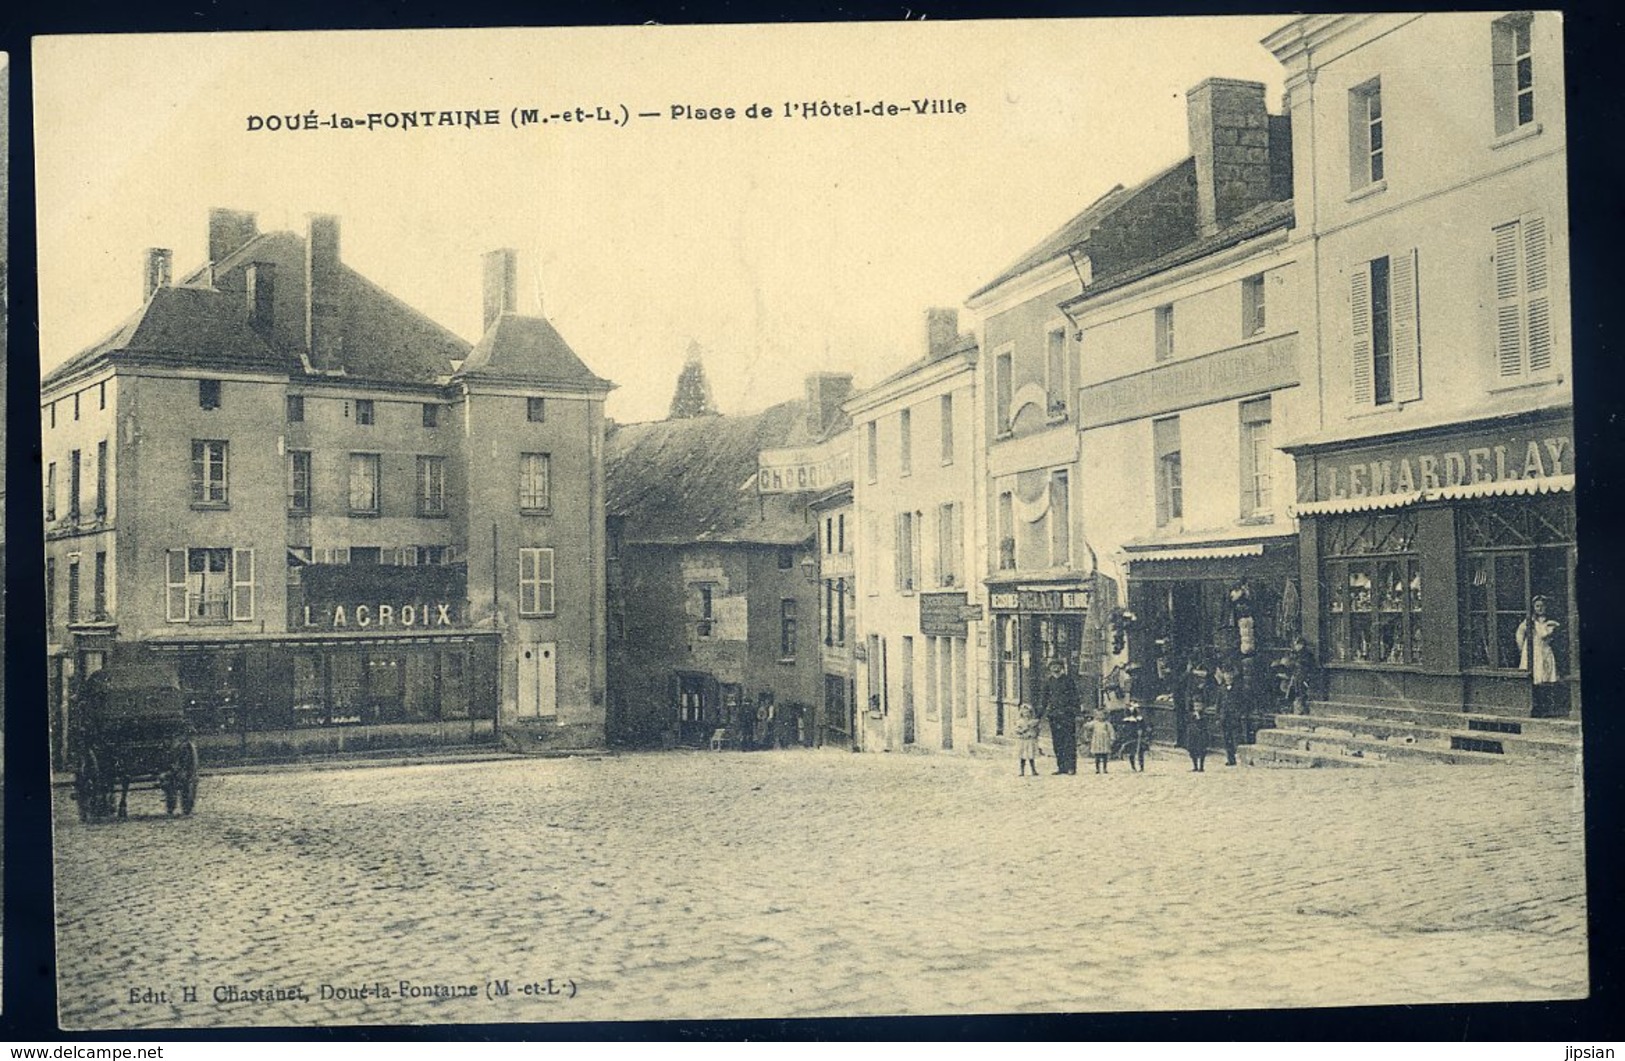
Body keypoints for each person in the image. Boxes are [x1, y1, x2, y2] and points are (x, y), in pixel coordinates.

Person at [1517, 596, 1563, 718]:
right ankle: (1535, 707)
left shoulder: (1550, 622)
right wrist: (1522, 648)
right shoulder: (1529, 621)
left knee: (1545, 676)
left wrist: (1551, 630)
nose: (1540, 608)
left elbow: (1545, 634)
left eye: (1542, 606)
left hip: (1544, 650)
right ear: (1533, 608)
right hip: (1533, 650)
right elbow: (1520, 632)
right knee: (1535, 677)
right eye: (1537, 606)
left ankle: (1546, 707)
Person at [1039, 658, 1080, 775]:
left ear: (1061, 667)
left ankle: (1071, 767)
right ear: (1050, 668)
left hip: (1067, 715)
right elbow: (1044, 699)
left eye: (1057, 666)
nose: (1055, 668)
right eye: (1052, 666)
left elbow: (1075, 697)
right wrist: (1039, 715)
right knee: (1057, 742)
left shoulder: (1068, 681)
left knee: (1069, 741)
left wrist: (1076, 712)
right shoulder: (1048, 681)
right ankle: (1061, 767)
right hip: (1054, 715)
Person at [1216, 661, 1246, 767]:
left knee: (1236, 737)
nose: (1228, 676)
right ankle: (1230, 759)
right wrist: (1218, 716)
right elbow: (1218, 703)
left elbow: (1242, 702)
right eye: (1226, 674)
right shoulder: (1221, 688)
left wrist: (1239, 713)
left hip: (1234, 717)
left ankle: (1240, 758)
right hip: (1225, 717)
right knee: (1226, 738)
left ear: (1233, 675)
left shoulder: (1238, 688)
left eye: (1229, 674)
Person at [1118, 700, 1149, 772]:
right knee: (1131, 752)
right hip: (1131, 736)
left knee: (1140, 752)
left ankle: (1141, 767)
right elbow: (1125, 728)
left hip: (1139, 737)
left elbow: (1143, 726)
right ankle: (1133, 767)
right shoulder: (1127, 720)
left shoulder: (1140, 719)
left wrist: (1141, 731)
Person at [1015, 703, 1042, 777]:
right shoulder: (1020, 721)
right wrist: (1022, 731)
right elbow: (1016, 730)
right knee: (1022, 756)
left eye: (1028, 712)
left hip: (1030, 740)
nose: (1026, 714)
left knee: (1031, 756)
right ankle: (1022, 771)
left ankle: (1033, 770)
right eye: (1024, 713)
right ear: (1021, 713)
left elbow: (1038, 729)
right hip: (1023, 740)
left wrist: (1035, 733)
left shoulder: (1033, 721)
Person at [1086, 710, 1117, 774]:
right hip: (1097, 740)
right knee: (1097, 756)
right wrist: (1088, 721)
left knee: (1105, 755)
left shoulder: (1107, 724)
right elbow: (1087, 727)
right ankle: (1097, 769)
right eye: (1098, 715)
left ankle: (1105, 768)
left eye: (1102, 715)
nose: (1100, 717)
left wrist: (1112, 738)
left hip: (1104, 740)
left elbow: (1111, 731)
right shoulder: (1095, 723)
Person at [1185, 700, 1211, 773]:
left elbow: (1205, 724)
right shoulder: (1191, 715)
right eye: (1195, 706)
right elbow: (1188, 722)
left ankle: (1201, 767)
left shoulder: (1204, 715)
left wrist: (1199, 717)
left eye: (1199, 706)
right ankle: (1195, 766)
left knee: (1202, 750)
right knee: (1192, 750)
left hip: (1201, 735)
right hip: (1193, 735)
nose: (1197, 708)